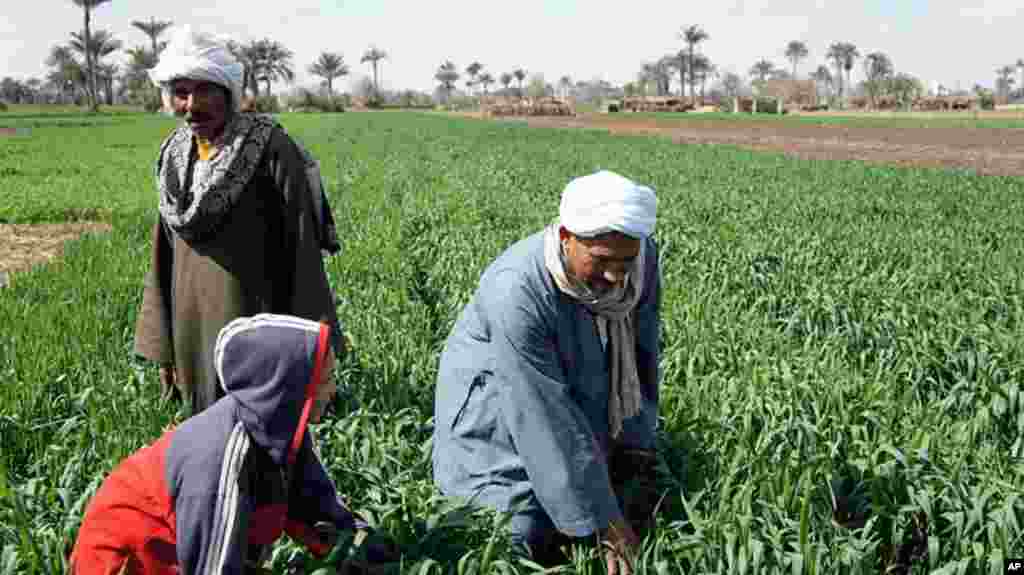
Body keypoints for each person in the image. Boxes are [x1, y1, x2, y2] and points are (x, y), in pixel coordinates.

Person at [432, 170, 662, 574]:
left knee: (637, 496)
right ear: (566, 237)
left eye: (625, 261)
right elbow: (543, 414)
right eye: (601, 260)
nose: (616, 276)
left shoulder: (640, 261)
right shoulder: (517, 291)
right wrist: (604, 521)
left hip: (570, 392)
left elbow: (642, 352)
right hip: (496, 417)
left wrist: (636, 442)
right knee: (514, 535)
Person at [70, 314, 398, 574]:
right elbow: (213, 567)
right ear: (285, 387)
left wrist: (375, 551)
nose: (333, 390)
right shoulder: (222, 459)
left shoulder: (279, 430)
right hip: (132, 561)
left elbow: (316, 510)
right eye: (324, 380)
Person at [133, 25, 344, 414]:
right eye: (181, 93)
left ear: (228, 93)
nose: (191, 105)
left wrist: (317, 352)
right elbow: (163, 258)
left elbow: (302, 250)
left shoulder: (269, 147)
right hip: (190, 334)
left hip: (257, 328)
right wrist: (164, 348)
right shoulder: (173, 155)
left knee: (261, 426)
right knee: (204, 430)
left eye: (204, 91)